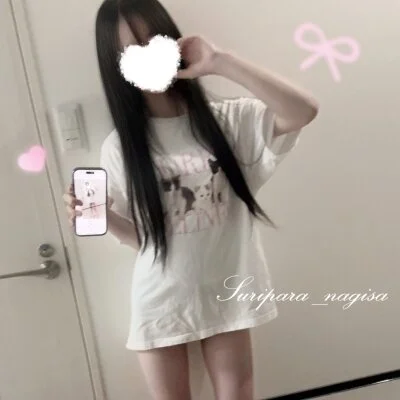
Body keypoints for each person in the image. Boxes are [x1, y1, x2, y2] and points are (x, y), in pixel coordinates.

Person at [64, 0, 319, 399]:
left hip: (227, 293)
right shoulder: (120, 147)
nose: (145, 55)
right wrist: (104, 219)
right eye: (129, 50)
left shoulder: (229, 121)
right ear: (116, 65)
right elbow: (144, 240)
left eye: (152, 40)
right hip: (161, 301)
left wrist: (220, 62)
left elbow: (303, 111)